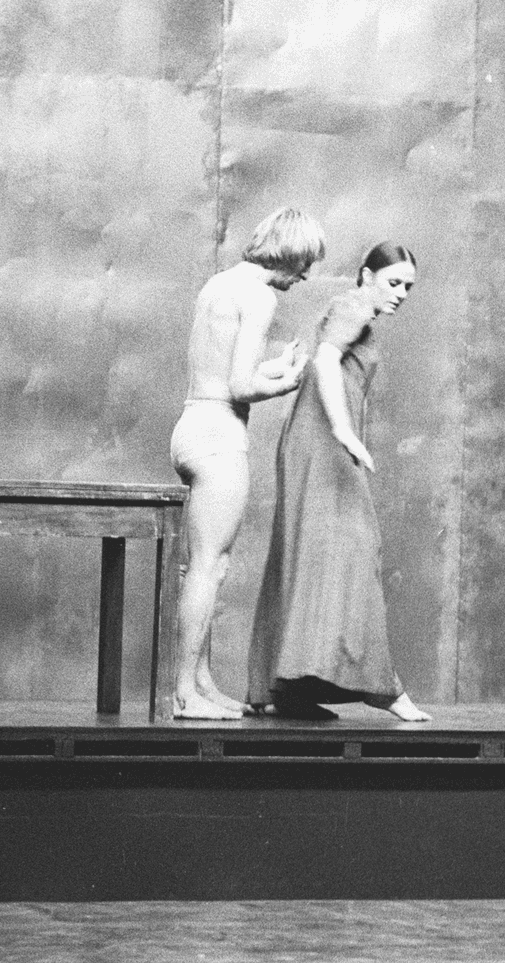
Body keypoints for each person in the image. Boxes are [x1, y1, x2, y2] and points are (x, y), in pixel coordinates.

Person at [246, 242, 429, 721]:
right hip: (323, 443)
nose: (402, 294)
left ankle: (286, 689)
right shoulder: (351, 307)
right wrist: (345, 429)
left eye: (409, 286)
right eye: (394, 283)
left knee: (310, 554)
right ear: (366, 276)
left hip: (311, 441)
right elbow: (325, 360)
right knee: (355, 547)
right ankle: (384, 690)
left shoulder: (349, 309)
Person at [169, 207, 323, 719]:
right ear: (288, 254)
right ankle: (186, 693)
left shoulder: (219, 284)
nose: (304, 277)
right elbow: (241, 387)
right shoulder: (259, 295)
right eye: (303, 265)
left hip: (191, 428)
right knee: (211, 569)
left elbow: (221, 370)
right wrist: (293, 378)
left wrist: (272, 367)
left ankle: (203, 682)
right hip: (220, 435)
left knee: (201, 568)